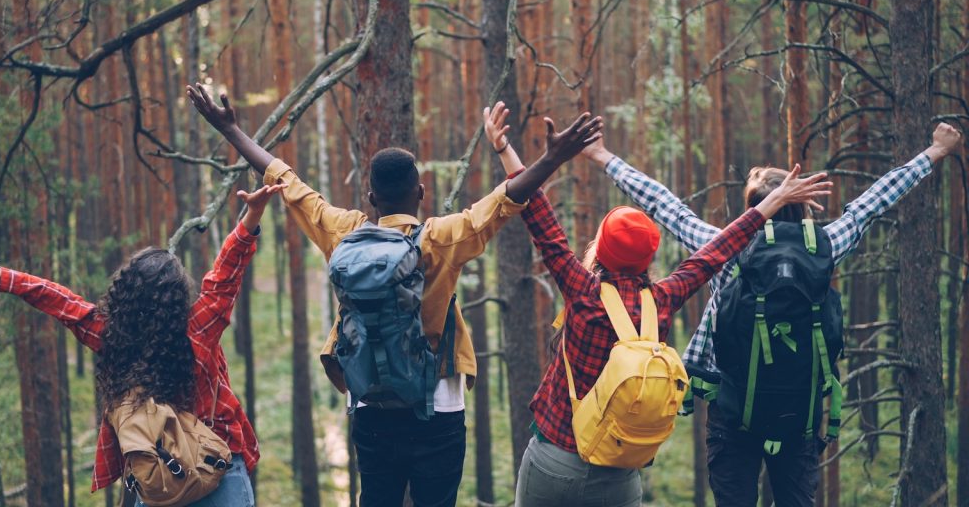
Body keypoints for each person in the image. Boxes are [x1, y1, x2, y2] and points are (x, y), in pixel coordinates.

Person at [186, 83, 603, 507]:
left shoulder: (343, 231)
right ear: (419, 192)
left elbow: (285, 180)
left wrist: (232, 132)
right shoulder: (441, 238)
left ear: (371, 197)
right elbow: (505, 200)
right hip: (438, 406)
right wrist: (552, 157)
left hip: (369, 401)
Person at [578, 122, 963, 506]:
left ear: (753, 208)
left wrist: (603, 156)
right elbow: (872, 204)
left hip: (732, 415)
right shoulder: (825, 247)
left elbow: (665, 206)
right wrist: (934, 152)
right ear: (801, 204)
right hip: (798, 420)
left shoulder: (726, 247)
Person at [483, 105, 832, 507]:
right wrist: (769, 206)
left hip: (554, 458)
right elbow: (720, 250)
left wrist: (505, 148)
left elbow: (540, 217)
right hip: (619, 473)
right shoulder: (663, 300)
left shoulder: (582, 291)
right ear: (648, 258)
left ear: (601, 248)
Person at [0, 184, 284, 507]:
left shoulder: (113, 338)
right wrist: (252, 215)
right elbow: (224, 278)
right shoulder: (198, 331)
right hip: (218, 467)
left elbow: (62, 302)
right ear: (177, 298)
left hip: (160, 475)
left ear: (126, 294)